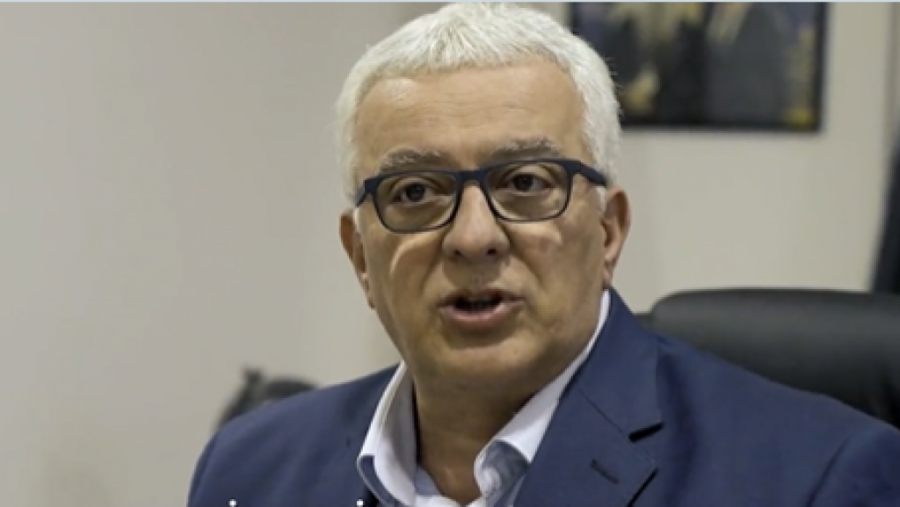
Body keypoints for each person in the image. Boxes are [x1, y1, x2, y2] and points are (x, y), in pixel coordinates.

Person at [186, 4, 900, 507]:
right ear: (360, 258)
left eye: (525, 183)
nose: (473, 237)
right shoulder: (249, 471)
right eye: (415, 192)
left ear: (609, 231)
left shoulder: (818, 478)